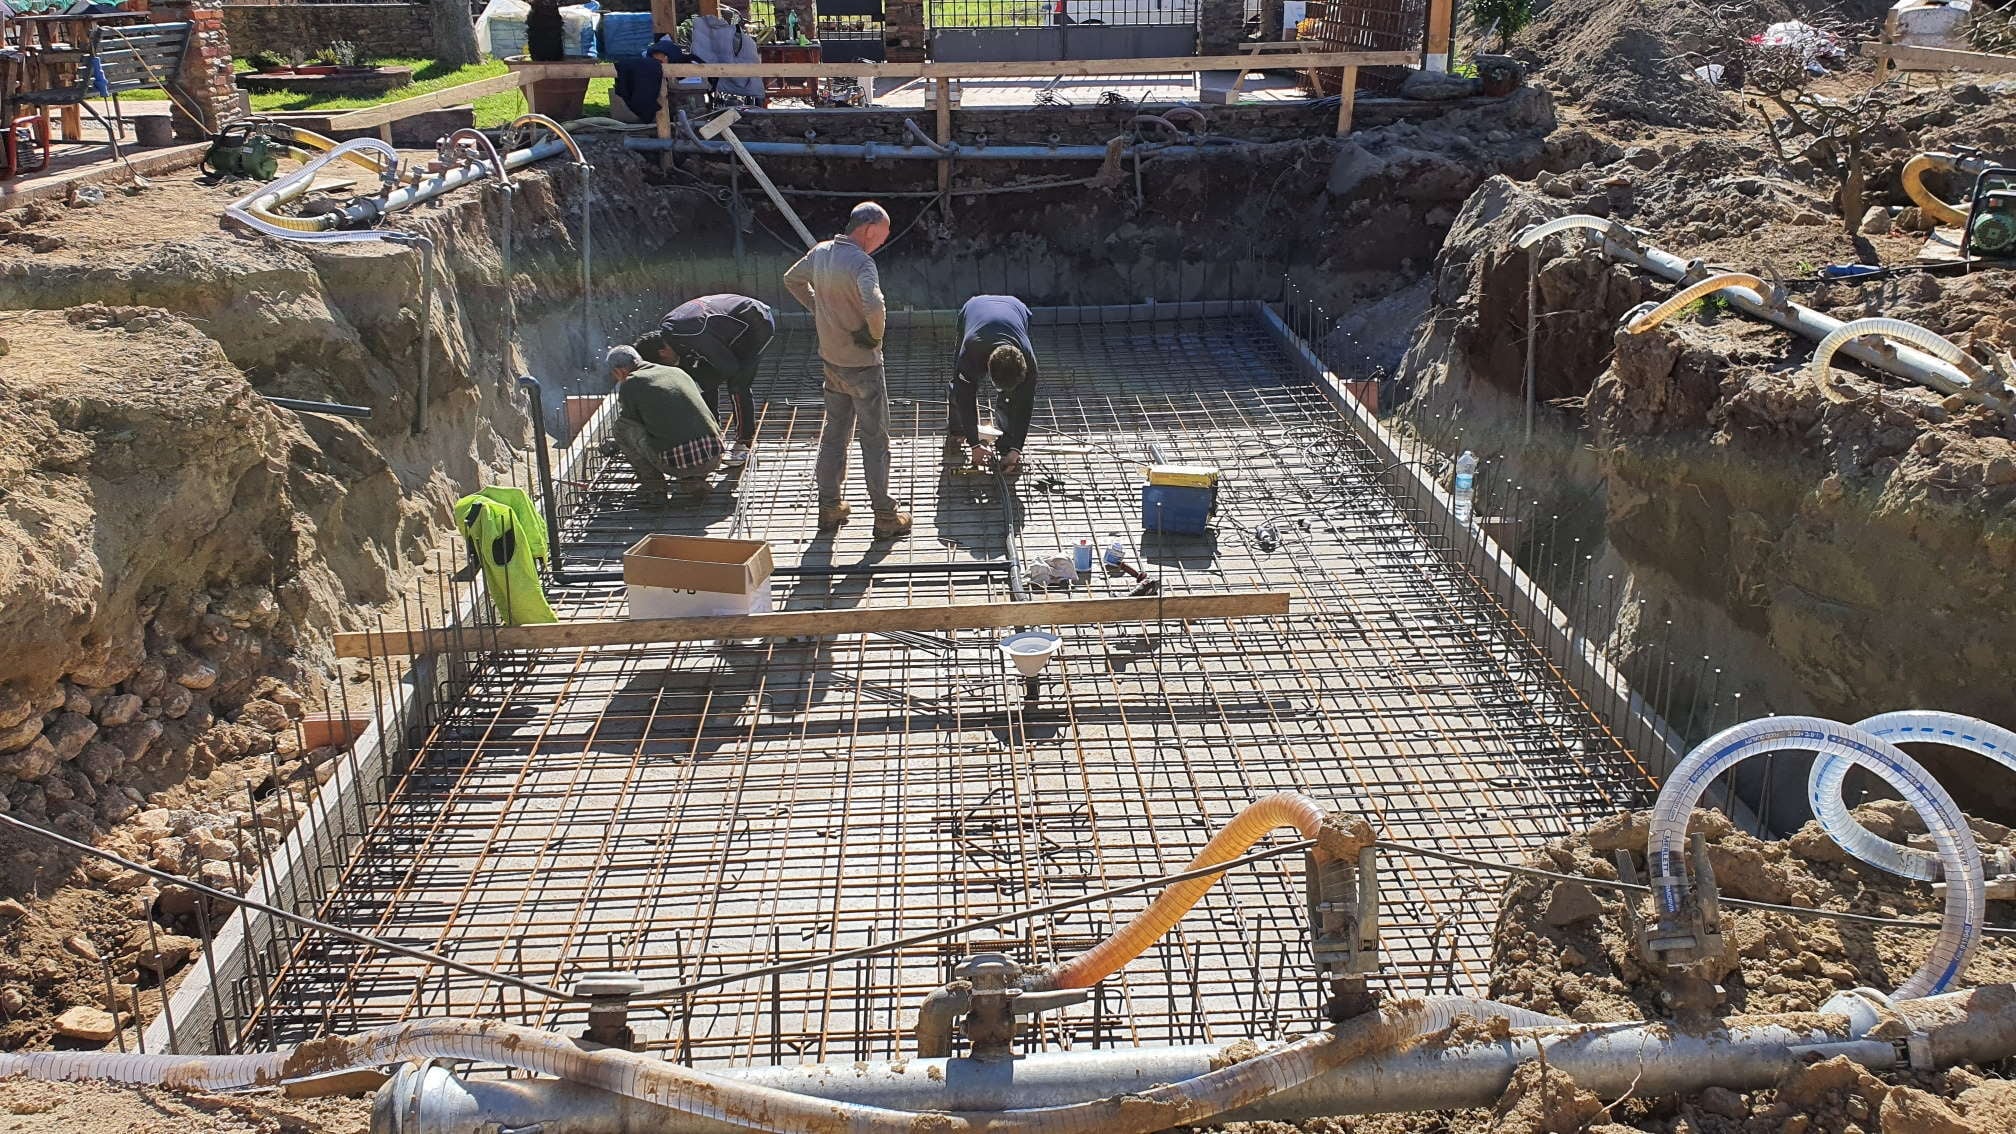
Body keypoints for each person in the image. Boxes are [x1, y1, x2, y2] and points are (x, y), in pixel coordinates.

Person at [782, 201, 912, 539]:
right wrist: (874, 335)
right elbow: (875, 303)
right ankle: (885, 516)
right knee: (874, 439)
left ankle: (830, 506)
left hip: (831, 362)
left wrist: (818, 308)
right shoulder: (861, 262)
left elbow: (791, 279)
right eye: (882, 235)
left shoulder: (821, 252)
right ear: (869, 229)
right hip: (863, 367)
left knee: (835, 433)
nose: (882, 241)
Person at [659, 293, 774, 465]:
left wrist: (700, 385)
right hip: (724, 330)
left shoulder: (691, 333)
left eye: (664, 363)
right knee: (701, 377)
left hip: (756, 323)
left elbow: (729, 367)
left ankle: (745, 442)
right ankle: (713, 435)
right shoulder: (670, 333)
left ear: (662, 351)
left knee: (738, 382)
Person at [606, 342, 723, 506]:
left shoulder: (631, 383)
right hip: (714, 455)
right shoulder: (676, 371)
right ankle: (695, 480)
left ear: (619, 371)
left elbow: (632, 424)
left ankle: (655, 488)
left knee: (621, 427)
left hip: (676, 464)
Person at [946, 295, 1039, 475]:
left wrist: (1016, 449)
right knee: (959, 387)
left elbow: (1025, 405)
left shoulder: (1029, 363)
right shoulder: (971, 353)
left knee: (1014, 399)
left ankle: (1007, 443)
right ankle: (957, 431)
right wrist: (975, 444)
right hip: (972, 308)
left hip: (1016, 307)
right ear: (987, 369)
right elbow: (966, 399)